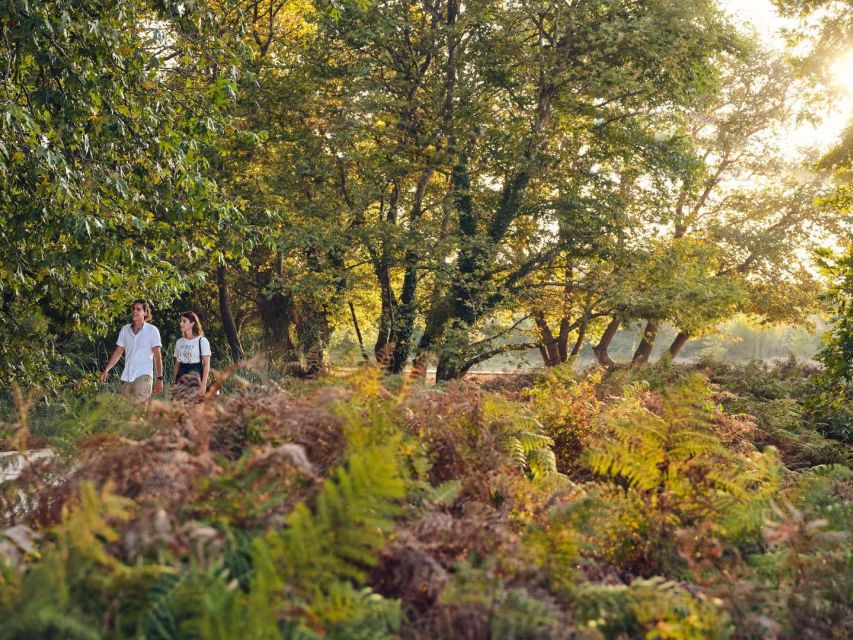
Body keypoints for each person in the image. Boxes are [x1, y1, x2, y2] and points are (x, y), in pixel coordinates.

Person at [99, 300, 164, 404]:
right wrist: (106, 370)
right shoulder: (125, 330)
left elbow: (157, 356)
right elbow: (118, 352)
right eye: (133, 309)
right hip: (127, 377)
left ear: (145, 313)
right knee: (127, 413)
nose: (134, 311)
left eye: (138, 309)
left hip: (144, 376)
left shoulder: (152, 330)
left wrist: (160, 378)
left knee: (138, 410)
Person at [173, 311, 211, 402]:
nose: (181, 323)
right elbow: (177, 364)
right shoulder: (179, 342)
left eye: (184, 321)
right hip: (181, 376)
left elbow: (206, 365)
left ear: (192, 323)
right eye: (181, 321)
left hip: (195, 376)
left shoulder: (202, 341)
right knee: (180, 409)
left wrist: (203, 385)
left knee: (195, 408)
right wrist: (175, 382)